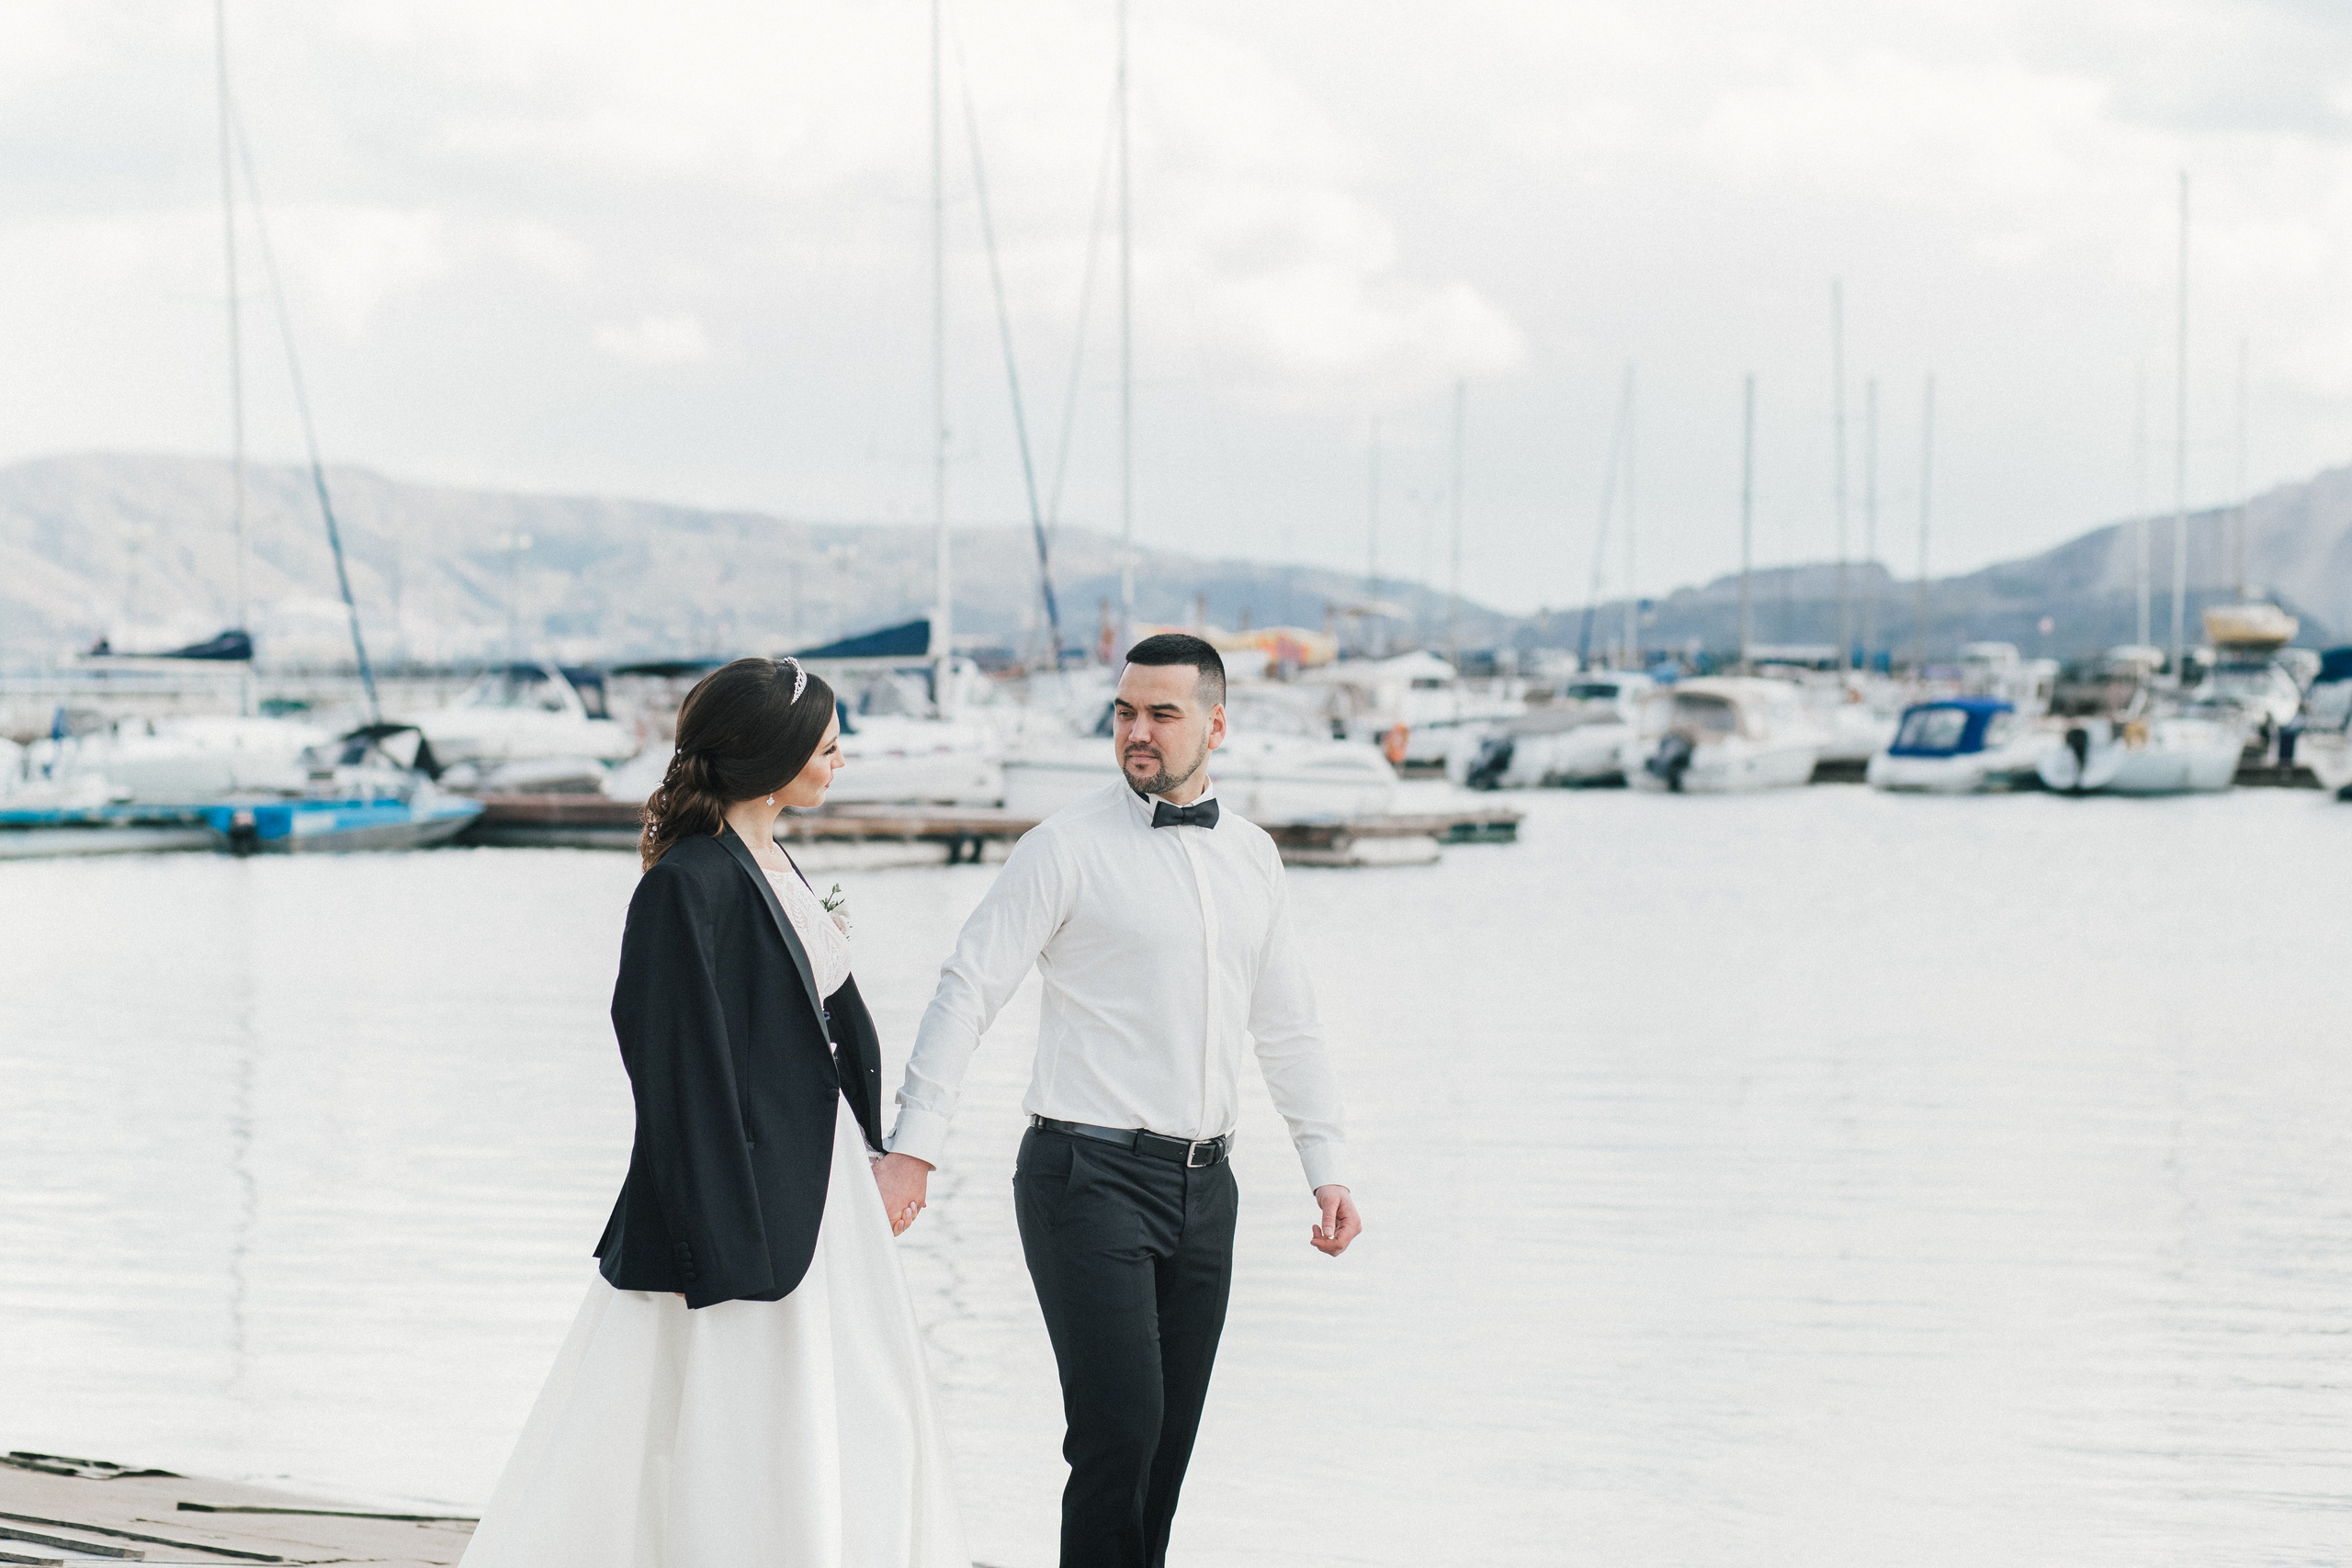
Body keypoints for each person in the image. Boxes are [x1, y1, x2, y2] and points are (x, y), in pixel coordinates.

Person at [461, 656, 966, 1568]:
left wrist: (878, 1147)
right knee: (730, 1416)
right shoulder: (687, 884)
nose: (838, 763)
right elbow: (675, 1073)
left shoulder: (777, 860)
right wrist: (719, 1240)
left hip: (820, 1187)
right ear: (772, 756)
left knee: (857, 1400)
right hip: (740, 1204)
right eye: (827, 746)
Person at [874, 632, 1363, 1568]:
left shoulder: (1254, 857)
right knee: (1119, 1435)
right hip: (1083, 1174)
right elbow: (967, 988)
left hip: (1206, 1186)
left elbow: (1288, 1024)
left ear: (1216, 725)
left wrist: (1325, 1164)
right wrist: (914, 1145)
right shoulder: (1062, 848)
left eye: (1161, 715)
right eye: (1124, 713)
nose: (1137, 732)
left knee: (1167, 1450)